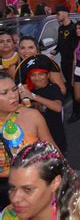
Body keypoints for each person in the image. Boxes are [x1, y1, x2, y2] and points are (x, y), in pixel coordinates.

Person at [0, 72, 57, 208]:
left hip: (33, 183)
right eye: (4, 93)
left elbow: (52, 150)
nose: (13, 96)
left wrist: (67, 175)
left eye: (14, 90)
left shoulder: (32, 116)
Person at [1, 142, 78, 219]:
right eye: (13, 188)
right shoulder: (8, 216)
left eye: (28, 189)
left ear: (55, 183)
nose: (15, 198)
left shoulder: (79, 216)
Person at [18, 60, 67, 154]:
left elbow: (58, 107)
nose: (37, 78)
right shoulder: (28, 92)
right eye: (33, 75)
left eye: (41, 74)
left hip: (55, 135)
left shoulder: (53, 88)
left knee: (58, 159)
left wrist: (33, 96)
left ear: (48, 75)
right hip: (36, 138)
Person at [51, 4, 77, 96]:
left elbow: (76, 47)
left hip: (73, 63)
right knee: (69, 86)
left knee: (74, 86)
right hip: (64, 62)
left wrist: (75, 63)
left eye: (58, 14)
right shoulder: (60, 28)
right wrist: (55, 50)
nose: (56, 16)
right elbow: (60, 45)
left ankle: (77, 108)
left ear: (65, 13)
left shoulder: (74, 28)